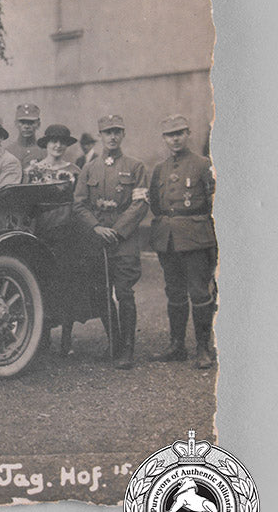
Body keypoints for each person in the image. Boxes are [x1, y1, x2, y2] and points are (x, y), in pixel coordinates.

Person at [72, 114, 149, 369]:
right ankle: (113, 343)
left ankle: (127, 349)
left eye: (117, 131)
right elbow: (79, 204)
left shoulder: (135, 167)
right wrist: (95, 227)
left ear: (123, 134)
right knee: (100, 292)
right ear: (101, 136)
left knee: (124, 292)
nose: (112, 137)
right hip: (96, 239)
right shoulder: (89, 168)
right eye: (107, 132)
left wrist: (115, 231)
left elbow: (140, 204)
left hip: (123, 239)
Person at [148, 114, 217, 368]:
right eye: (170, 134)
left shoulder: (203, 164)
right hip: (168, 238)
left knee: (199, 292)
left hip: (196, 237)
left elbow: (214, 203)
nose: (175, 139)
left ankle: (203, 348)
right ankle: (177, 345)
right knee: (174, 291)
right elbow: (156, 204)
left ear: (188, 134)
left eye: (179, 133)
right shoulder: (160, 168)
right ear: (164, 139)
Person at [25, 124, 83, 356]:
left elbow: (79, 202)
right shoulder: (33, 170)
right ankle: (42, 338)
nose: (57, 145)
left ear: (67, 145)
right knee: (41, 283)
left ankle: (66, 340)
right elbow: (27, 203)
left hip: (67, 231)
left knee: (66, 283)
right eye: (53, 141)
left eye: (62, 141)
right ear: (46, 144)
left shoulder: (75, 171)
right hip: (41, 231)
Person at [5, 103, 46, 168]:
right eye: (22, 122)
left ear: (38, 124)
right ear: (16, 123)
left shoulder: (44, 152)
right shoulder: (8, 152)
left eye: (31, 122)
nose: (26, 126)